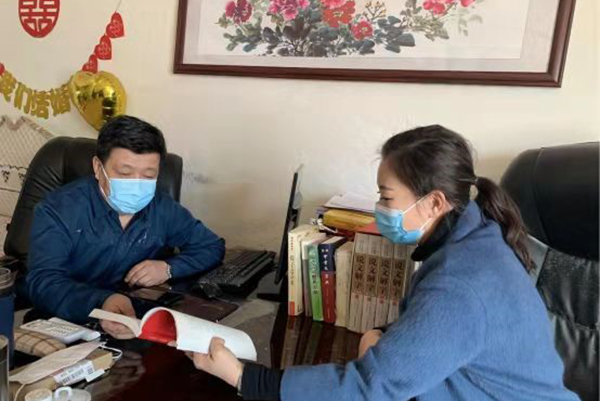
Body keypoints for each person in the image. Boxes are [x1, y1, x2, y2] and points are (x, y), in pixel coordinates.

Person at [184, 125, 579, 401]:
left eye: (387, 198)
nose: (379, 208)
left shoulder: (461, 281)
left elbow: (370, 388)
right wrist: (385, 334)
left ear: (435, 202)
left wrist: (245, 378)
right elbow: (446, 329)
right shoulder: (476, 236)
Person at [27, 115, 225, 338]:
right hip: (67, 323)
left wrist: (168, 268)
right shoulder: (58, 210)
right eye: (124, 173)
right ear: (98, 167)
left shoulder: (161, 208)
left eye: (148, 175)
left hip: (135, 320)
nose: (137, 184)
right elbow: (43, 282)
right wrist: (102, 300)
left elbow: (211, 246)